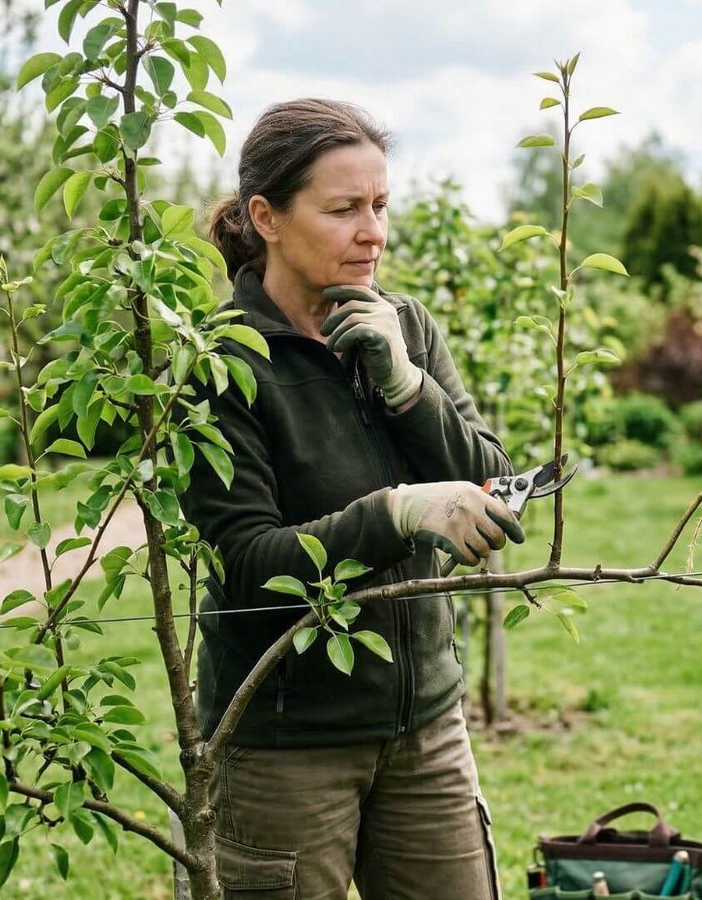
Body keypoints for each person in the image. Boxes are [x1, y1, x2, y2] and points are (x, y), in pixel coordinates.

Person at [179, 98, 525, 899]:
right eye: (344, 210)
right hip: (283, 745)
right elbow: (245, 564)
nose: (374, 232)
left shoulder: (406, 324)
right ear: (265, 216)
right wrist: (398, 511)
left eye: (380, 206)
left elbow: (491, 478)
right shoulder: (222, 363)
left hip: (426, 727)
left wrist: (408, 385)